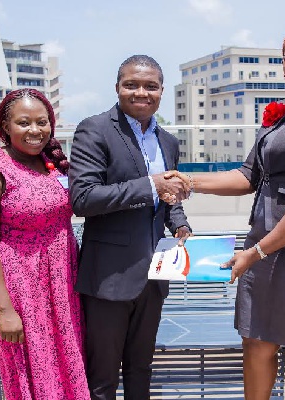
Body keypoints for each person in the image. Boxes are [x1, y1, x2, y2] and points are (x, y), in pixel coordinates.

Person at [166, 29, 285, 400]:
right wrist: (189, 181)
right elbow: (248, 175)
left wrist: (255, 253)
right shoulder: (280, 113)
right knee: (256, 340)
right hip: (263, 242)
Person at [68, 54, 192, 400]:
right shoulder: (94, 129)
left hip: (153, 277)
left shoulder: (168, 141)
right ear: (117, 88)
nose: (142, 92)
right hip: (109, 278)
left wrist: (180, 223)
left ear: (162, 91)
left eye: (150, 86)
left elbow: (169, 196)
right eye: (132, 85)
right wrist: (151, 185)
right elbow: (83, 199)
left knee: (141, 370)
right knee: (103, 379)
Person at [0, 88, 89, 399]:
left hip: (62, 286)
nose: (35, 131)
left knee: (67, 365)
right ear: (5, 127)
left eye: (42, 122)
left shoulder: (51, 164)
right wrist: (6, 310)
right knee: (32, 371)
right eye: (24, 123)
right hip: (21, 289)